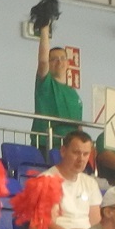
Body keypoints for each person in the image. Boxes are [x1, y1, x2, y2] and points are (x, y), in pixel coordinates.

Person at [31, 24, 82, 155]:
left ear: (68, 63)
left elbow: (79, 126)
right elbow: (42, 61)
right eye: (54, 59)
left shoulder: (74, 95)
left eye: (62, 58)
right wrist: (44, 28)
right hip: (46, 145)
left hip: (70, 149)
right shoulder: (45, 83)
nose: (59, 62)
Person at [44, 129, 104, 229]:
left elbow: (96, 223)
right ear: (63, 151)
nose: (81, 159)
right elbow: (49, 226)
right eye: (76, 153)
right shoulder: (46, 180)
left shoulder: (90, 183)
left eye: (86, 154)